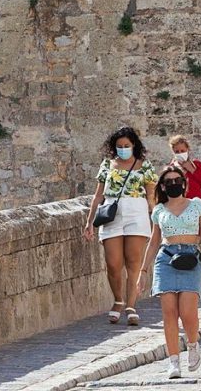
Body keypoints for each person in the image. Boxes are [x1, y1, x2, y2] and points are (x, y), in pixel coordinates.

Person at [137, 165, 201, 379]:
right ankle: (173, 360)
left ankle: (192, 344)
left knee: (188, 312)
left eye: (177, 180)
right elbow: (153, 242)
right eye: (168, 182)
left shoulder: (197, 205)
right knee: (169, 312)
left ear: (184, 183)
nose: (173, 184)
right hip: (166, 258)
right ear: (163, 186)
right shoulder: (159, 210)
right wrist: (143, 271)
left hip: (191, 257)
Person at [82, 126, 158, 326]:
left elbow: (151, 195)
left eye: (127, 145)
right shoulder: (107, 165)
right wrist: (89, 221)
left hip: (136, 212)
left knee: (134, 262)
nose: (123, 149)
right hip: (111, 213)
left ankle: (131, 306)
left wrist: (157, 218)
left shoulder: (145, 166)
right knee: (113, 263)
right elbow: (98, 195)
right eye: (119, 146)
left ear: (134, 145)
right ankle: (118, 300)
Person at [168, 135, 201, 200]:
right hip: (179, 206)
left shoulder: (197, 165)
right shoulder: (171, 169)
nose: (180, 153)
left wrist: (192, 170)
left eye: (182, 151)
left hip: (196, 206)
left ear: (187, 150)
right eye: (177, 152)